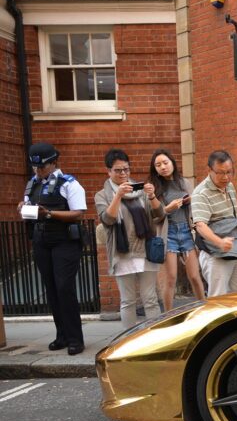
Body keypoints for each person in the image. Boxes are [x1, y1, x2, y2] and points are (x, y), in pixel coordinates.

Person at [17, 142, 86, 355]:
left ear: (54, 163)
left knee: (65, 288)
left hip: (64, 241)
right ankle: (62, 336)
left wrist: (48, 214)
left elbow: (78, 213)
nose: (38, 171)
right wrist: (23, 208)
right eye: (35, 167)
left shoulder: (69, 184)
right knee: (52, 289)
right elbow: (29, 211)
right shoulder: (32, 184)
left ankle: (76, 339)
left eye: (43, 167)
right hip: (41, 241)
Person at [94, 149, 166, 329]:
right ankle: (128, 340)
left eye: (126, 169)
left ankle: (155, 338)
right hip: (122, 251)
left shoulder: (140, 190)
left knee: (150, 300)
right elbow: (107, 219)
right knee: (128, 301)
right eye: (118, 170)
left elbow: (160, 214)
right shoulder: (102, 195)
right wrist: (117, 195)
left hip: (145, 249)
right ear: (108, 171)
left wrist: (152, 195)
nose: (123, 174)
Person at [150, 149, 205, 311]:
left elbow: (197, 207)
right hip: (169, 233)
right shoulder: (156, 188)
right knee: (171, 278)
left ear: (172, 163)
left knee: (195, 276)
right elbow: (154, 217)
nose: (163, 167)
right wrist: (168, 208)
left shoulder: (185, 183)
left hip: (187, 232)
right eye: (158, 165)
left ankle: (203, 310)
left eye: (165, 163)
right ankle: (168, 315)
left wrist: (189, 202)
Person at [191, 150, 237, 296]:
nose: (226, 177)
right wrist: (220, 242)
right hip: (216, 254)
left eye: (229, 172)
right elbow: (200, 225)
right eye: (220, 173)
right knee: (219, 299)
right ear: (209, 170)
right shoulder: (200, 193)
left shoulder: (229, 186)